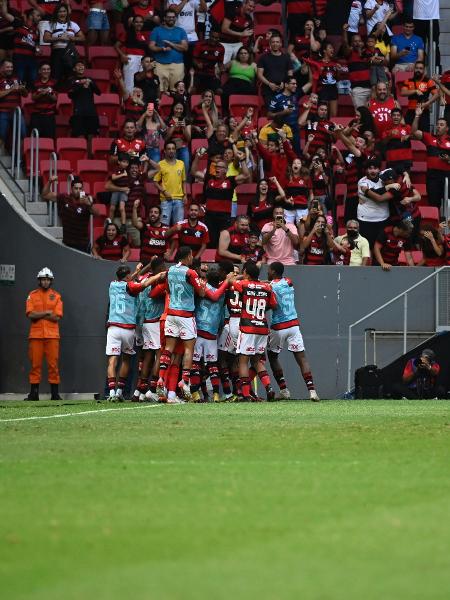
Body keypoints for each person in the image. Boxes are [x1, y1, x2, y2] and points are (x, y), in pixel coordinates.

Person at [156, 246, 233, 401]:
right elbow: (203, 293)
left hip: (171, 314)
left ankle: (161, 379)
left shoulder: (170, 270)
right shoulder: (190, 272)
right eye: (191, 256)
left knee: (168, 349)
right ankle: (184, 382)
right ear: (188, 257)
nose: (192, 258)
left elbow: (167, 288)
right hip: (186, 315)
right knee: (188, 350)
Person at [106, 264, 164, 401]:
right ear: (127, 276)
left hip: (113, 327)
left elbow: (129, 281)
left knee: (112, 361)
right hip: (127, 328)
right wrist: (157, 275)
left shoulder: (112, 284)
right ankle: (120, 391)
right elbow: (143, 285)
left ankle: (112, 393)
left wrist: (140, 270)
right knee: (126, 360)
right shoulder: (131, 287)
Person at [267, 261, 319, 401]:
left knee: (272, 356)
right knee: (301, 358)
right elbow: (282, 282)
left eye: (269, 270)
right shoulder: (289, 282)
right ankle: (312, 391)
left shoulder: (270, 287)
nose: (268, 271)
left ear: (273, 271)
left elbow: (270, 301)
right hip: (294, 325)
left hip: (278, 326)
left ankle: (284, 390)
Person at [233, 260, 277, 402]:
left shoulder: (243, 284)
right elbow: (273, 305)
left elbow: (230, 281)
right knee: (257, 360)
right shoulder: (267, 287)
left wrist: (240, 277)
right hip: (262, 327)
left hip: (247, 327)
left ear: (246, 273)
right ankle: (269, 387)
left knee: (243, 362)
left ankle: (245, 394)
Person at [25, 267, 63, 401]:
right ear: (39, 281)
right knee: (35, 365)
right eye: (43, 279)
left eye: (48, 279)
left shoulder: (57, 296)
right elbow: (31, 315)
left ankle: (55, 394)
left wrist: (40, 314)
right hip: (36, 336)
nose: (45, 282)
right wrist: (47, 313)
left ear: (51, 281)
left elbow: (57, 317)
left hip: (52, 336)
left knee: (53, 365)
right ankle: (33, 394)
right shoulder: (32, 295)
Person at [41, 176, 100, 253]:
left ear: (82, 189)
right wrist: (49, 182)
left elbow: (97, 214)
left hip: (82, 244)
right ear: (71, 189)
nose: (78, 191)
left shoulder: (87, 200)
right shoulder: (64, 198)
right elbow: (45, 195)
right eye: (76, 188)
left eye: (80, 188)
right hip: (67, 243)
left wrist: (89, 205)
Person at [411, 107, 450, 212]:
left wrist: (448, 159)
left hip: (447, 175)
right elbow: (414, 131)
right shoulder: (429, 137)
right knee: (433, 202)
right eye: (437, 124)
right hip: (432, 176)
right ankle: (437, 225)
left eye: (441, 125)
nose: (438, 126)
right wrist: (417, 116)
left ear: (447, 128)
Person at [43, 3, 84, 82]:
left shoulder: (73, 24)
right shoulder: (51, 24)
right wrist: (59, 38)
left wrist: (71, 38)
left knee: (71, 76)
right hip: (57, 52)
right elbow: (46, 38)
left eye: (64, 11)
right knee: (56, 76)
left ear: (67, 13)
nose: (62, 14)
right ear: (56, 13)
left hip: (69, 52)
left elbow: (82, 38)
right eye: (60, 12)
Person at [149, 9, 188, 93]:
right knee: (160, 91)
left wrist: (171, 44)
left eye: (173, 17)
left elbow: (185, 48)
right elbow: (151, 46)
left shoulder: (181, 31)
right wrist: (162, 48)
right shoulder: (157, 30)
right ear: (164, 18)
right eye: (169, 17)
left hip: (177, 64)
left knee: (176, 91)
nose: (171, 19)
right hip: (160, 64)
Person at [153, 140, 187, 227]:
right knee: (164, 226)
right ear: (165, 151)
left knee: (178, 227)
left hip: (179, 199)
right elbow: (155, 182)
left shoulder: (181, 163)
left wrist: (185, 195)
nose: (171, 150)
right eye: (169, 149)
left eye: (173, 149)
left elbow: (183, 181)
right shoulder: (160, 164)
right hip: (165, 200)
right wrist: (164, 191)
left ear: (175, 150)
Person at [357, 159, 390, 248]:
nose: (372, 171)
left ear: (379, 169)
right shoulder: (362, 182)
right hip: (366, 220)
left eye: (375, 168)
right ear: (366, 170)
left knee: (382, 246)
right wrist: (388, 187)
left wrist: (406, 175)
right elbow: (375, 195)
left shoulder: (384, 179)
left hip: (383, 218)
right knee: (367, 247)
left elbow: (397, 169)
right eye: (370, 168)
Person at [115, 15, 149, 94]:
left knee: (141, 84)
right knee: (129, 83)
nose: (139, 24)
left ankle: (139, 103)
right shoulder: (127, 33)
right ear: (133, 23)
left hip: (142, 60)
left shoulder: (144, 35)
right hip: (131, 59)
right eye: (136, 22)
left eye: (141, 22)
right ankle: (127, 103)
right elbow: (116, 45)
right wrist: (122, 55)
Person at [257, 32, 293, 108]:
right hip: (268, 90)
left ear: (281, 44)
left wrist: (284, 83)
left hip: (284, 90)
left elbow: (290, 74)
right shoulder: (263, 58)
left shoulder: (286, 58)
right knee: (272, 112)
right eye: (273, 42)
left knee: (284, 111)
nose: (275, 44)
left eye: (277, 42)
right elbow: (259, 74)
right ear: (270, 44)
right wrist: (269, 84)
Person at [400, 61, 438, 131]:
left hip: (424, 111)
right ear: (414, 69)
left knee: (424, 134)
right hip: (411, 110)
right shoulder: (408, 80)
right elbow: (403, 92)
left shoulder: (428, 81)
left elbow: (436, 94)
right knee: (408, 132)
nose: (418, 70)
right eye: (417, 68)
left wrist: (428, 103)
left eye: (420, 68)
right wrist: (415, 91)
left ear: (424, 70)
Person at [68, 60, 101, 139]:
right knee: (80, 136)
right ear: (74, 69)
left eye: (82, 65)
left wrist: (91, 83)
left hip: (91, 112)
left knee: (91, 136)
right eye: (78, 65)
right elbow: (70, 95)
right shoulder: (72, 80)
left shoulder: (89, 80)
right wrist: (81, 85)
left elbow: (98, 92)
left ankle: (90, 151)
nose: (81, 67)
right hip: (78, 113)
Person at [0, 59, 27, 146]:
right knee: (1, 135)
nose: (10, 69)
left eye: (11, 67)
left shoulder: (16, 78)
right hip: (3, 112)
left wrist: (22, 89)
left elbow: (25, 95)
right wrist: (11, 89)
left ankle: (20, 157)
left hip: (16, 112)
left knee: (23, 133)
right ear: (2, 68)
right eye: (7, 67)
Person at [220, 0, 254, 64]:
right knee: (223, 65)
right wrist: (241, 34)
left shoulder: (249, 18)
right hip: (225, 43)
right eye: (250, 6)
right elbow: (224, 29)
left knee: (242, 62)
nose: (251, 9)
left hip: (237, 43)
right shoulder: (233, 11)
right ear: (244, 4)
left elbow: (249, 34)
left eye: (253, 7)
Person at [191, 27, 224, 93]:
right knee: (193, 90)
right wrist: (197, 64)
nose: (214, 39)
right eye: (213, 37)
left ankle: (215, 103)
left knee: (219, 91)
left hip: (211, 74)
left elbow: (220, 63)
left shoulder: (221, 48)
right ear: (209, 35)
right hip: (198, 73)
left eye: (217, 38)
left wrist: (222, 69)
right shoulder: (200, 45)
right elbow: (193, 59)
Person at [30, 62, 57, 138]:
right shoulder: (35, 82)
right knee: (35, 139)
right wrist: (41, 93)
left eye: (48, 69)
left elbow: (55, 99)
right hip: (37, 115)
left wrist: (48, 93)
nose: (46, 71)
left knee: (49, 139)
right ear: (39, 71)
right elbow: (33, 97)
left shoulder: (54, 82)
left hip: (49, 115)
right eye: (44, 69)